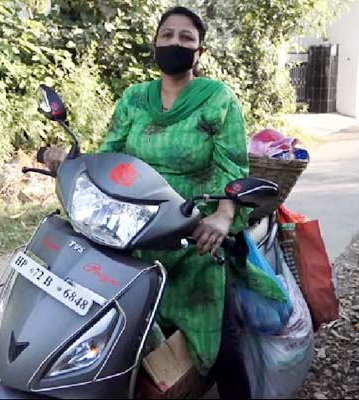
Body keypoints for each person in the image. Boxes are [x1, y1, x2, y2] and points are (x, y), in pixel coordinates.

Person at [44, 6, 252, 398]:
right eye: (168, 35)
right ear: (155, 43)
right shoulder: (135, 98)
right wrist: (69, 164)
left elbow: (233, 167)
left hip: (194, 231)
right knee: (104, 321)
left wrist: (222, 217)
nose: (176, 43)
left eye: (186, 38)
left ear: (200, 52)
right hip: (132, 226)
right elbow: (110, 156)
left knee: (223, 342)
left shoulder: (218, 99)